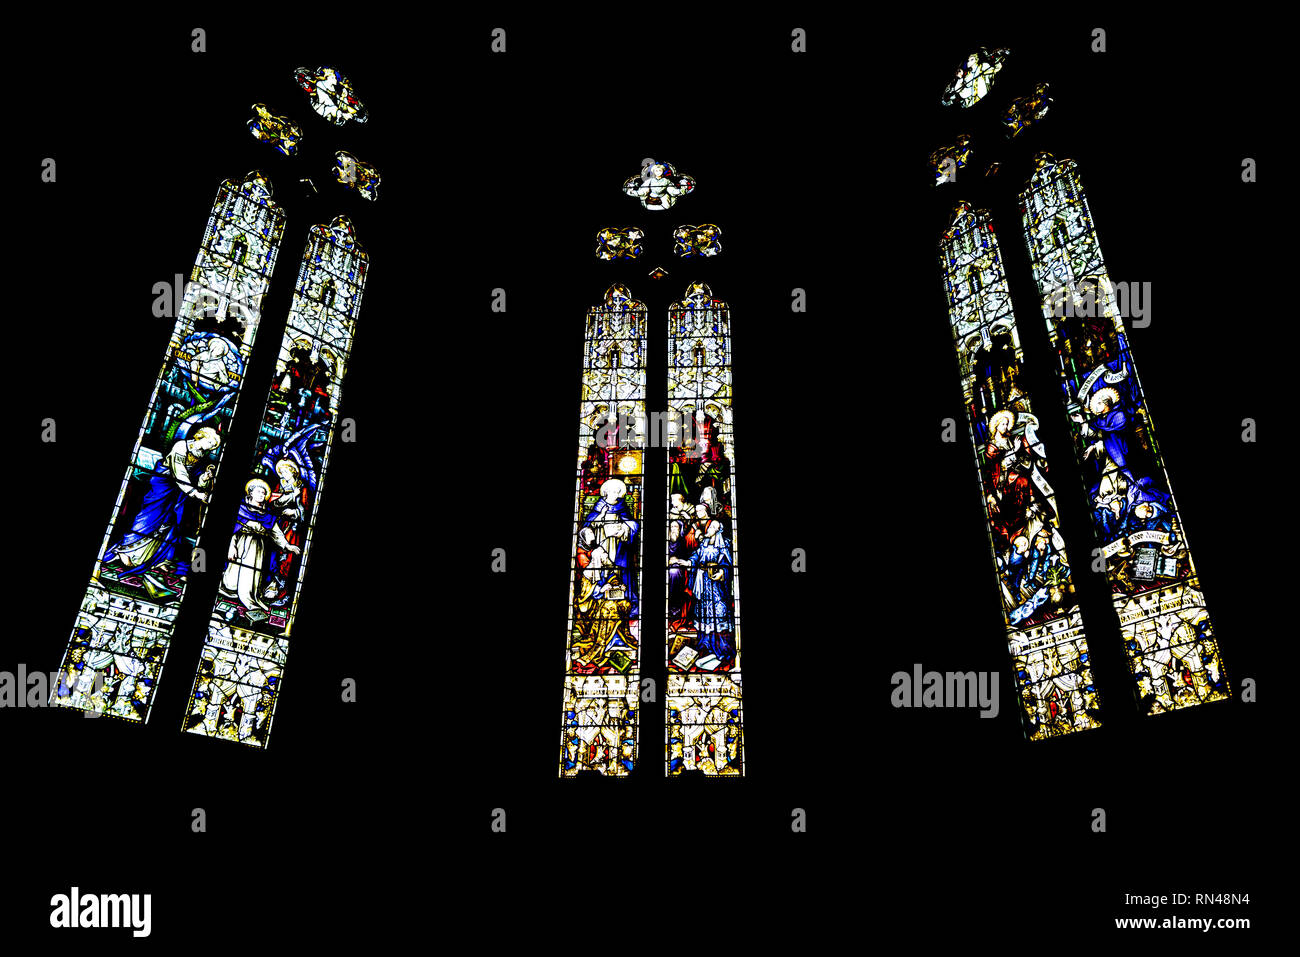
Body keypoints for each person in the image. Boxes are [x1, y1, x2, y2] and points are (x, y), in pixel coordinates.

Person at [104, 427, 221, 578]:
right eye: (210, 443)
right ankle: (126, 550)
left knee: (170, 522)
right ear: (201, 437)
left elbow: (194, 479)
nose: (210, 447)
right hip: (163, 485)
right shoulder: (181, 446)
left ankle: (158, 559)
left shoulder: (201, 457)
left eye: (213, 447)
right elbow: (178, 471)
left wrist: (204, 479)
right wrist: (194, 492)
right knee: (149, 518)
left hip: (178, 493)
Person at [219, 478, 300, 619]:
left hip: (257, 548)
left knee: (251, 573)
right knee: (231, 578)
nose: (261, 495)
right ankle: (229, 589)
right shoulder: (241, 508)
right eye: (258, 492)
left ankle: (248, 595)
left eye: (263, 493)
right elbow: (232, 530)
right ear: (250, 493)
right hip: (240, 543)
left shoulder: (267, 514)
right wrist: (231, 547)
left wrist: (288, 545)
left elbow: (275, 532)